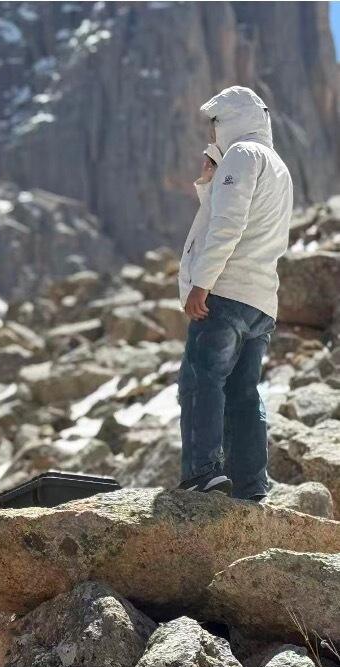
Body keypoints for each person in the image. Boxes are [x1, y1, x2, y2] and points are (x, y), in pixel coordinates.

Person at [177, 86, 293, 501]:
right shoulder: (278, 166)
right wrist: (210, 182)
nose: (213, 133)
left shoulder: (243, 156)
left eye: (216, 123)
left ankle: (203, 472)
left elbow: (227, 225)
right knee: (243, 393)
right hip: (261, 302)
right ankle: (250, 486)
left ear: (234, 120)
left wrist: (201, 284)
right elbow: (244, 219)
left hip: (225, 295)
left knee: (200, 380)